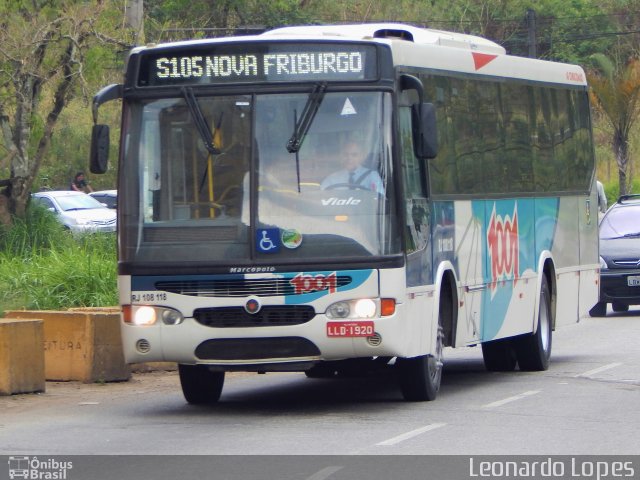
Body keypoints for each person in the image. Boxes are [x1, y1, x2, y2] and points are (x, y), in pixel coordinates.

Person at [320, 141, 384, 194]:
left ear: (362, 156)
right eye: (345, 154)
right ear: (340, 155)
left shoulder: (372, 175)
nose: (349, 158)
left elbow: (379, 198)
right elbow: (321, 198)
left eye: (354, 155)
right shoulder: (332, 179)